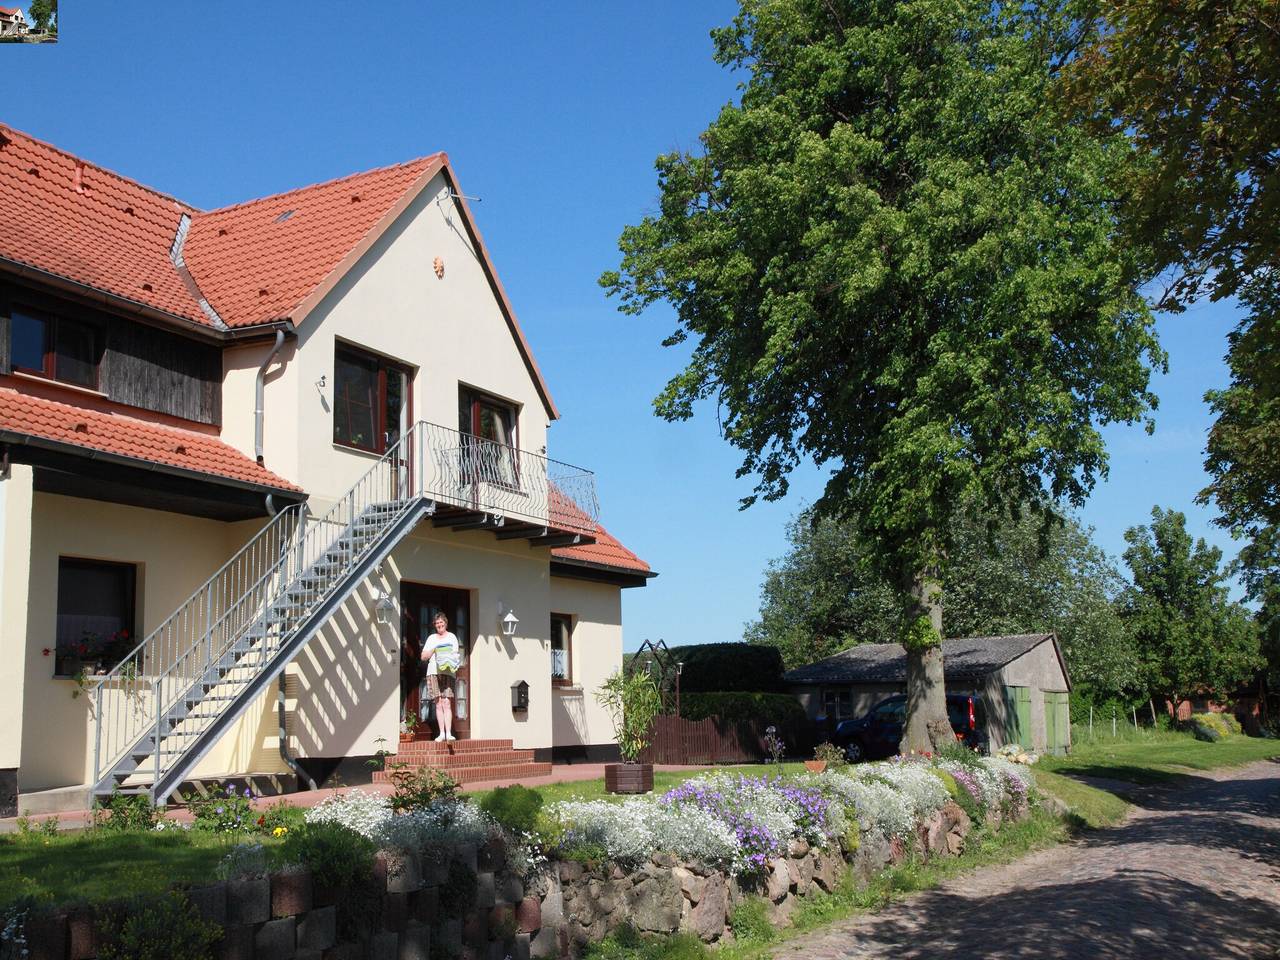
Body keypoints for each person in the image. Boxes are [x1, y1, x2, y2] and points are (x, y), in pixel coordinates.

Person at [421, 612, 460, 741]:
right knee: (438, 703)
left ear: (445, 623)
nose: (439, 625)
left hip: (448, 672)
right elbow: (423, 656)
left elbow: (455, 655)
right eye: (437, 623)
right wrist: (435, 649)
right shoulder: (431, 638)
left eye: (441, 622)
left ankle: (449, 733)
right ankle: (441, 733)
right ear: (435, 625)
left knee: (447, 702)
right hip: (433, 671)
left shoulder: (452, 637)